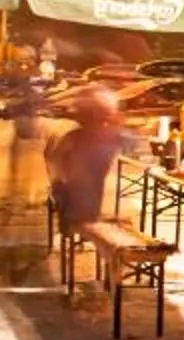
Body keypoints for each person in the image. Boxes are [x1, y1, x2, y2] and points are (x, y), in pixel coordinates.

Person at [46, 87, 130, 236]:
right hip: (79, 206)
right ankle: (76, 225)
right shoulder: (79, 137)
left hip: (82, 206)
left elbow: (54, 161)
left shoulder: (75, 137)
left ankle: (76, 225)